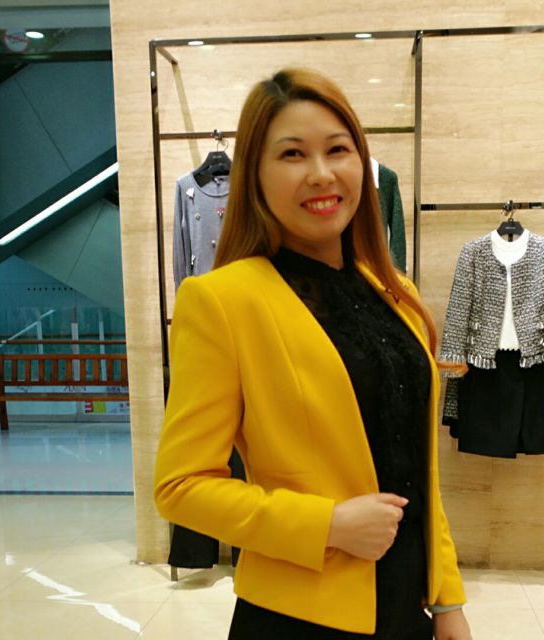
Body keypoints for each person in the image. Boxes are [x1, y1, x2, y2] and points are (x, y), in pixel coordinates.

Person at [154, 67, 472, 640]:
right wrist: (327, 525)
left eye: (338, 149)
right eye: (293, 154)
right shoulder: (220, 301)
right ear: (255, 174)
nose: (321, 173)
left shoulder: (396, 294)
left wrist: (448, 601)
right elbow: (181, 487)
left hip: (407, 606)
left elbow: (418, 468)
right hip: (299, 615)